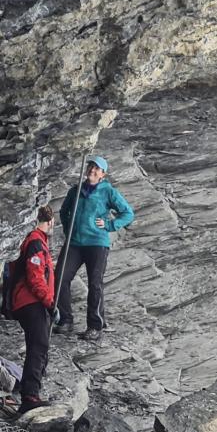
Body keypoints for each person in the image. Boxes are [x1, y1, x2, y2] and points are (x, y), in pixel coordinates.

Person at [56, 155, 134, 341]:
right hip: (74, 243)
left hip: (97, 243)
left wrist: (109, 225)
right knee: (59, 277)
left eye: (97, 168)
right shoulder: (76, 190)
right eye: (91, 166)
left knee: (94, 284)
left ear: (103, 174)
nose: (92, 170)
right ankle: (66, 320)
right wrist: (69, 230)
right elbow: (64, 211)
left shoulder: (108, 191)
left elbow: (128, 213)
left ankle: (95, 326)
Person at [11, 205, 57, 414]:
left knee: (40, 345)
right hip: (30, 302)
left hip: (28, 302)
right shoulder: (36, 242)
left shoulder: (36, 242)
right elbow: (35, 277)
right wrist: (49, 302)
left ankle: (32, 391)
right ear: (50, 222)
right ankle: (29, 396)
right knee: (38, 345)